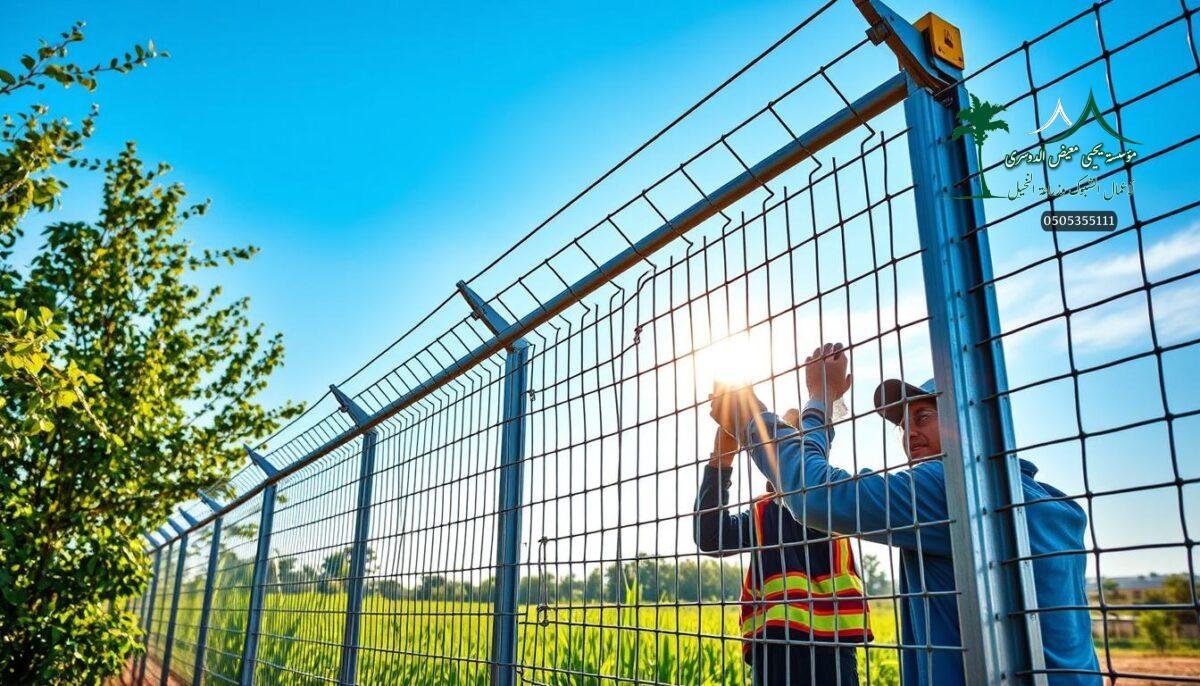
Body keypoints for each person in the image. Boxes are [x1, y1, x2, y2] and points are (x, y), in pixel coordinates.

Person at [708, 342, 1101, 685]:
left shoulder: (951, 486)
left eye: (924, 417)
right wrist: (720, 464)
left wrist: (778, 406)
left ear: (970, 420)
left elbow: (812, 491)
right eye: (904, 424)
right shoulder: (1053, 503)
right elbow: (715, 535)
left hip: (830, 655)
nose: (910, 433)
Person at [693, 415, 871, 685]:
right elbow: (709, 536)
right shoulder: (768, 512)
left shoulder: (824, 503)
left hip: (822, 651)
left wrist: (723, 459)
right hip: (788, 650)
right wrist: (722, 458)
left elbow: (709, 536)